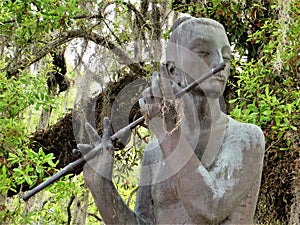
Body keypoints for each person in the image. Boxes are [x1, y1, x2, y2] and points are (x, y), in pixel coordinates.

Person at [77, 16, 265, 224]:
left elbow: (209, 210)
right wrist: (103, 189)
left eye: (226, 57)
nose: (220, 64)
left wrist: (168, 132)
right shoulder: (154, 152)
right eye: (204, 53)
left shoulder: (245, 138)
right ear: (173, 71)